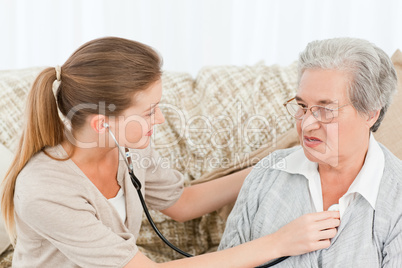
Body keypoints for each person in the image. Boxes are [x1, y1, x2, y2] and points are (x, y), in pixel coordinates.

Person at [0, 37, 340, 268]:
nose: (159, 119)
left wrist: (277, 164)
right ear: (102, 124)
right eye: (149, 112)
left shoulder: (126, 147)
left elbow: (182, 203)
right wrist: (280, 243)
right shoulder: (45, 190)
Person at [218, 37, 402, 267]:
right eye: (303, 107)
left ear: (370, 114)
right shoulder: (266, 175)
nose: (306, 124)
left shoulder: (396, 199)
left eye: (326, 110)